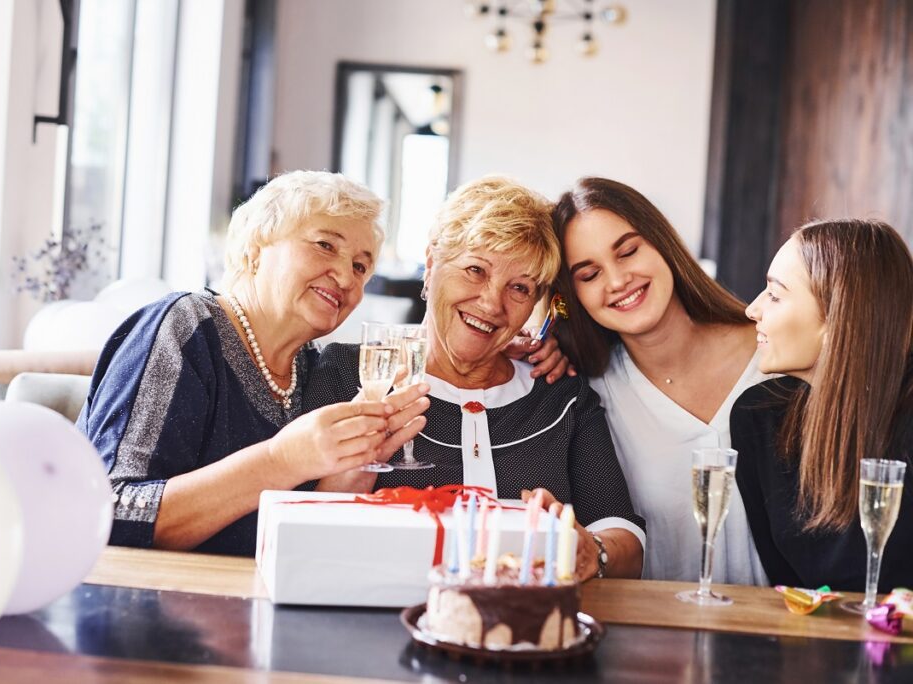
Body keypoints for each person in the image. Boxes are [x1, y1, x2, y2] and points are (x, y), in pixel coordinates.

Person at [306, 176, 645, 581]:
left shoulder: (562, 397)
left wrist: (595, 551)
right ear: (431, 264)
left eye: (519, 288)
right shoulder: (345, 375)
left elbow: (626, 536)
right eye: (474, 270)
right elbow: (302, 535)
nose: (491, 304)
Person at [77, 171, 431, 556]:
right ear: (256, 248)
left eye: (361, 267)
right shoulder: (185, 327)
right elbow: (110, 512)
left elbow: (296, 548)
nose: (346, 276)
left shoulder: (313, 372)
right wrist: (280, 461)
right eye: (325, 245)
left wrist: (352, 470)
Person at [552, 177, 768, 584]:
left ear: (662, 243)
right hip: (659, 635)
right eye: (589, 274)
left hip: (782, 633)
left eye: (628, 251)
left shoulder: (770, 351)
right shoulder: (591, 394)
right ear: (571, 296)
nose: (617, 281)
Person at [731, 219, 913, 592]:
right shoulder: (759, 416)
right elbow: (788, 589)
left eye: (776, 295)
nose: (753, 309)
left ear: (838, 317)